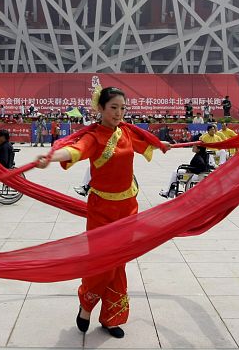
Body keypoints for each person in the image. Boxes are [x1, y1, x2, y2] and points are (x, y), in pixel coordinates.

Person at [33, 87, 169, 339]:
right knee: (102, 263)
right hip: (102, 211)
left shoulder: (127, 132)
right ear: (101, 109)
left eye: (122, 108)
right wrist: (50, 157)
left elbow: (147, 145)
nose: (119, 113)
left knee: (118, 264)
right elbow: (75, 150)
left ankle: (111, 317)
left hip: (128, 209)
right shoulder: (95, 136)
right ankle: (86, 305)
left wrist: (162, 145)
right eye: (113, 108)